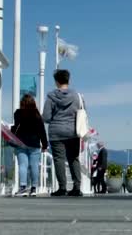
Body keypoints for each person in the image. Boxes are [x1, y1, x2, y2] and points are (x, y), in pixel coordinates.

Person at [43, 69, 83, 197]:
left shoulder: (51, 96)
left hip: (56, 132)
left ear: (56, 82)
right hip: (73, 131)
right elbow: (83, 112)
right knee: (74, 159)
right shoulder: (77, 96)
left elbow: (46, 117)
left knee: (59, 160)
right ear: (68, 80)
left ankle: (62, 188)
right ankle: (77, 188)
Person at [11, 94, 48, 197]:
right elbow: (42, 131)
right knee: (34, 166)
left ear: (22, 103)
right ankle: (33, 188)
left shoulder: (18, 113)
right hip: (34, 144)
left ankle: (22, 188)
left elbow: (15, 127)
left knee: (23, 165)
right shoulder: (37, 115)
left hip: (21, 143)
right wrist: (44, 145)